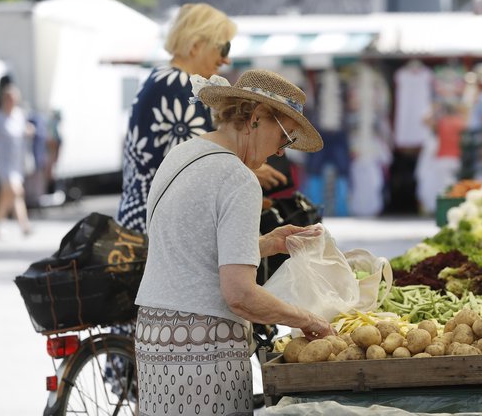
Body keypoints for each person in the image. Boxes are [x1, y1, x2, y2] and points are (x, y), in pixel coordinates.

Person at [134, 69, 335, 415]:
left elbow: (192, 250)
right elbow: (240, 295)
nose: (281, 152)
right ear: (256, 118)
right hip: (203, 348)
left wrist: (266, 243)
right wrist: (307, 319)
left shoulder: (181, 155)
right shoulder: (239, 179)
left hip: (154, 335)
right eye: (285, 137)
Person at [117, 3, 287, 234]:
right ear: (196, 45)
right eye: (223, 48)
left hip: (142, 220)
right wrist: (249, 168)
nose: (226, 60)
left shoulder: (161, 78)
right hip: (158, 228)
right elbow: (200, 167)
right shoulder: (179, 86)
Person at [0, 84, 33, 238]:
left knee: (6, 196)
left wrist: (29, 131)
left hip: (17, 161)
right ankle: (24, 224)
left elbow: (23, 133)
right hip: (3, 163)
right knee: (16, 191)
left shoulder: (19, 115)